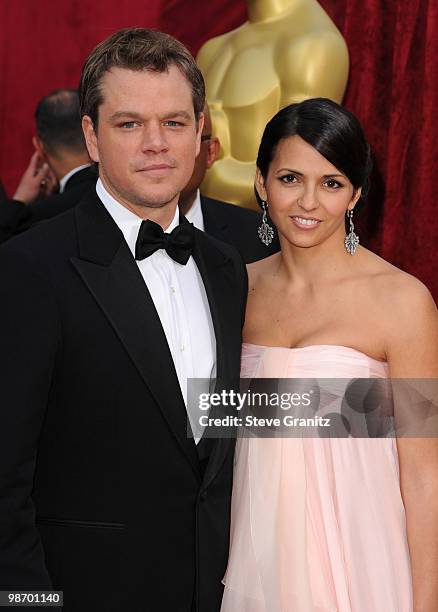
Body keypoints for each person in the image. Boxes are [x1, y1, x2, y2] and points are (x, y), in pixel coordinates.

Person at [0, 28, 247, 612]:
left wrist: (401, 409)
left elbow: (228, 424)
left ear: (200, 132)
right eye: (130, 124)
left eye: (175, 122)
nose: (156, 144)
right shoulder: (30, 269)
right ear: (91, 136)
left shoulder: (228, 267)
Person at [221, 98, 438, 611]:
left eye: (332, 183)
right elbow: (220, 427)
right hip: (256, 558)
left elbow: (424, 470)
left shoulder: (402, 301)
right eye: (291, 178)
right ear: (261, 182)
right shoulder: (234, 290)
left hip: (364, 557)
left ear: (356, 194)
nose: (308, 202)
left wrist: (427, 601)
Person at [179, 102, 279, 262]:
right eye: (133, 126)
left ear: (211, 152)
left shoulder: (261, 236)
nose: (158, 147)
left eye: (176, 129)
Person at [0, 89, 96, 242]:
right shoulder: (122, 193)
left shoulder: (31, 218)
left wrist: (19, 202)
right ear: (92, 133)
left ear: (39, 146)